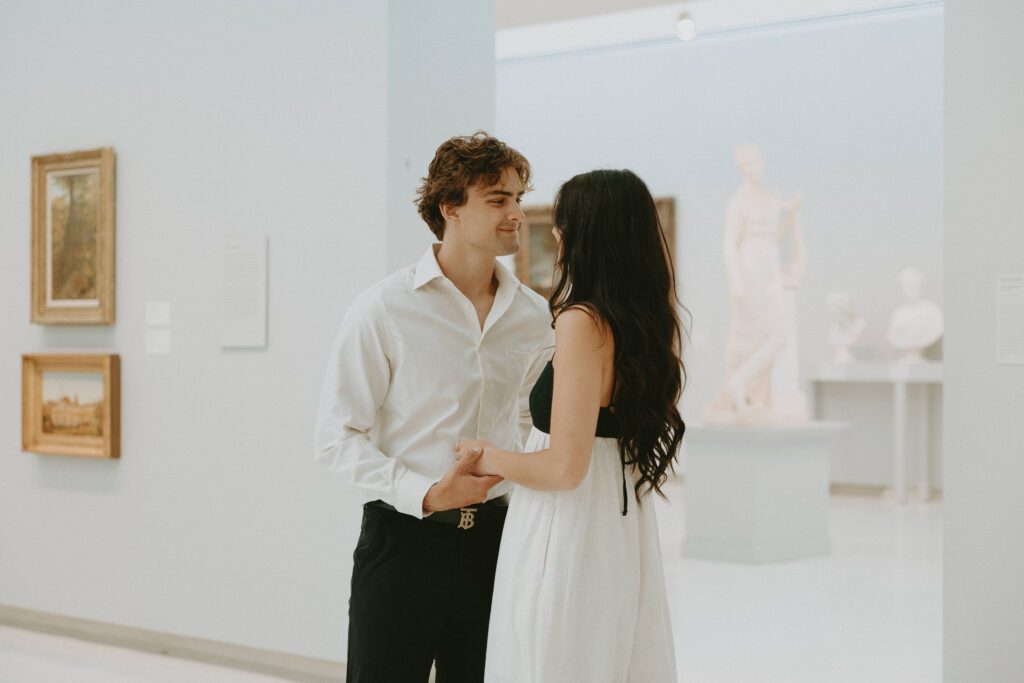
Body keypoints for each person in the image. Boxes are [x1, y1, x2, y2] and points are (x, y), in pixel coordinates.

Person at [314, 132, 552, 683]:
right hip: (403, 546)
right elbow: (336, 436)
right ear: (451, 208)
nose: (516, 212)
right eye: (498, 200)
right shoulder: (383, 308)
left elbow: (526, 422)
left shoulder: (535, 316)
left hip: (499, 545)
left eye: (519, 197)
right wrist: (426, 494)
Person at [455, 169, 685, 682]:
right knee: (605, 651)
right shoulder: (643, 319)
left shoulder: (582, 321)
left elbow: (563, 468)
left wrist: (485, 455)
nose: (556, 235)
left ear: (588, 233)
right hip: (615, 517)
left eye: (563, 224)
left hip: (569, 524)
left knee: (555, 654)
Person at [704, 144, 808, 425]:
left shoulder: (771, 196)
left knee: (777, 332)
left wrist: (792, 214)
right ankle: (739, 385)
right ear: (742, 167)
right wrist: (736, 282)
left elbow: (775, 234)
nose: (756, 167)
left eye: (758, 161)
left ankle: (741, 384)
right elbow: (729, 246)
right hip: (751, 267)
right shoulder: (738, 203)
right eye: (749, 163)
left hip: (770, 264)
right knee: (750, 334)